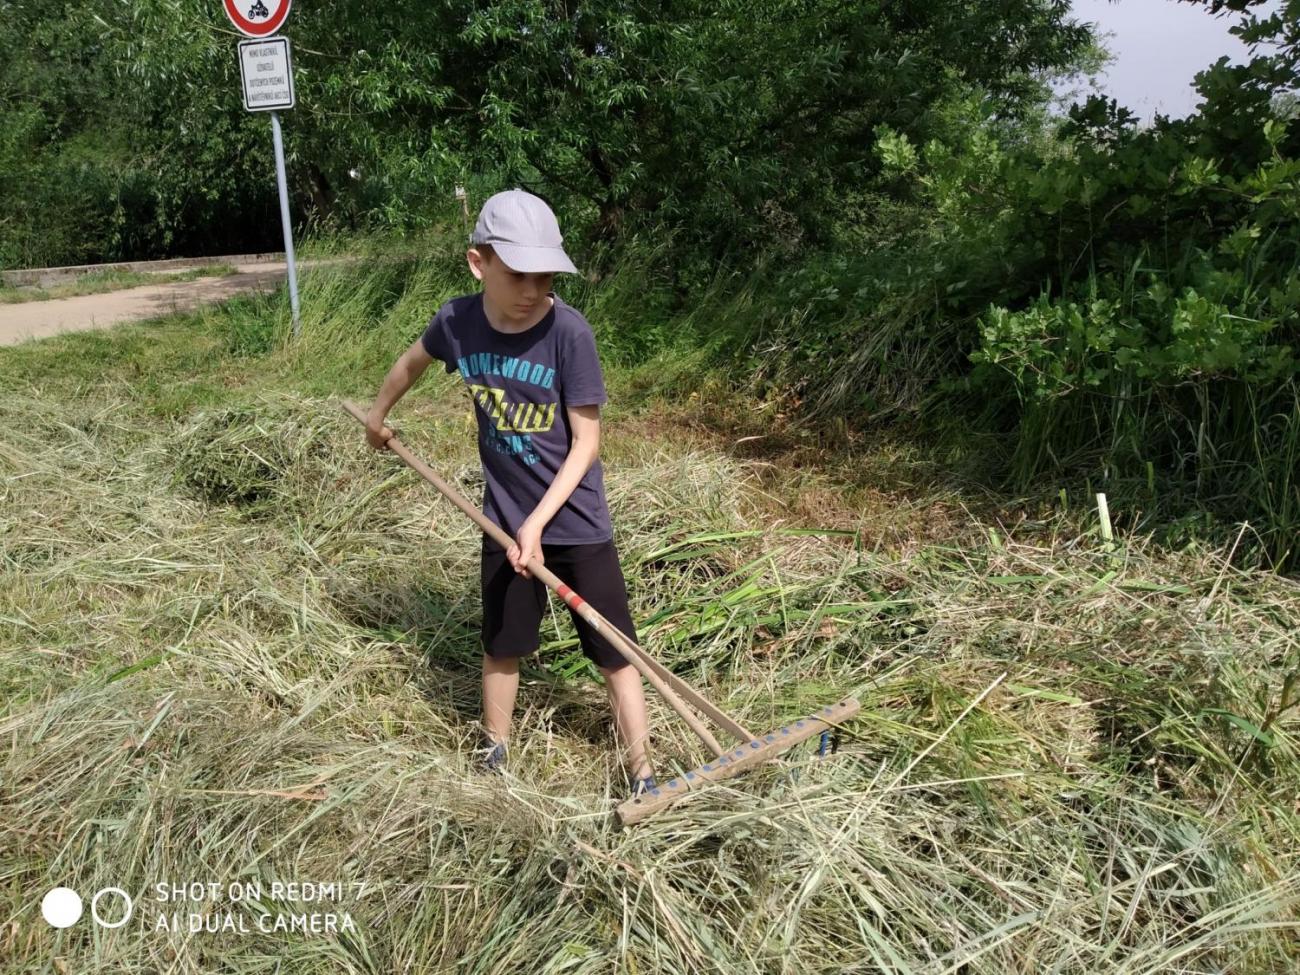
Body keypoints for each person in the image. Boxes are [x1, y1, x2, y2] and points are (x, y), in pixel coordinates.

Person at [364, 188, 656, 797]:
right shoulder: (457, 322)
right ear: (480, 263)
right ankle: (494, 756)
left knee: (615, 651)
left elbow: (586, 445)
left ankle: (643, 771)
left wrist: (539, 524)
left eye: (545, 275)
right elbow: (413, 361)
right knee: (502, 645)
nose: (534, 290)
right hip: (502, 521)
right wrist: (379, 413)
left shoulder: (569, 334)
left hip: (575, 522)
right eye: (519, 274)